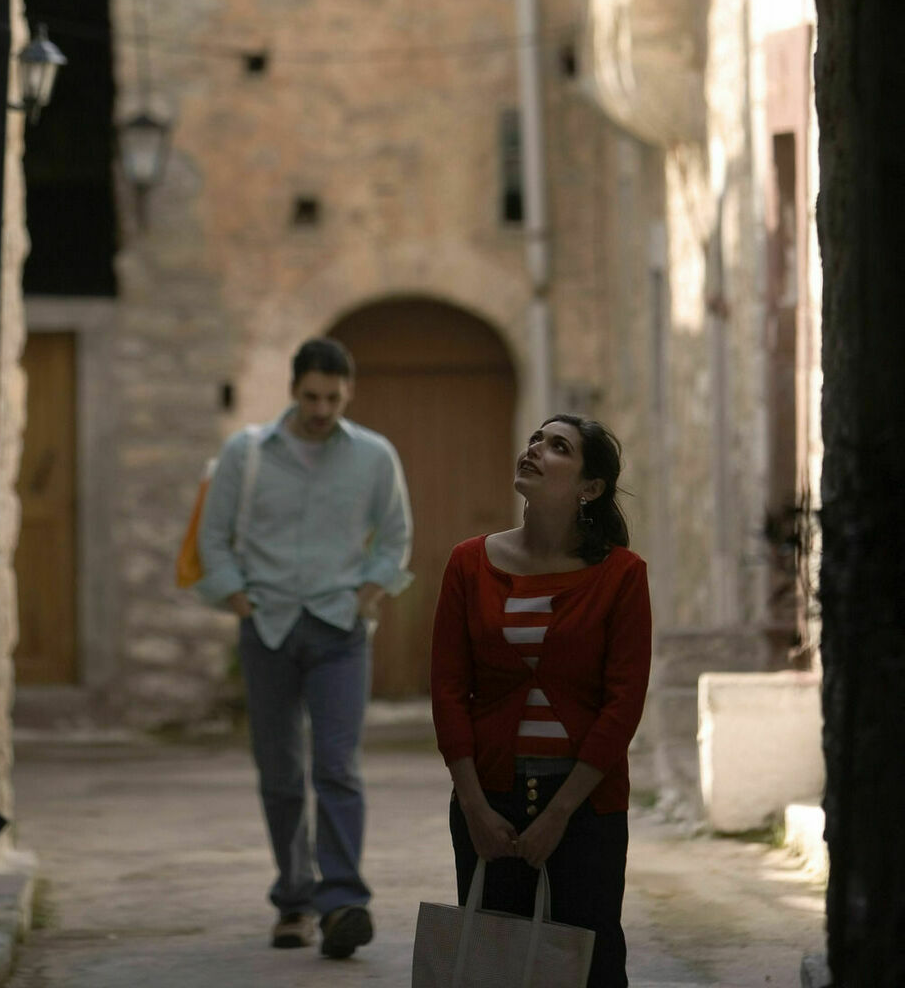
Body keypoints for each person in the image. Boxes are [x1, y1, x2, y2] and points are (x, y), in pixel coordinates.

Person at [196, 337, 413, 958]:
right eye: (312, 396)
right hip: (265, 629)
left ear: (349, 393)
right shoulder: (248, 452)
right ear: (294, 389)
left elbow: (394, 538)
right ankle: (294, 901)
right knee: (281, 774)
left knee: (337, 766)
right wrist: (239, 601)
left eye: (334, 397)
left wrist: (365, 599)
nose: (321, 408)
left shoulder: (374, 456)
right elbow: (214, 537)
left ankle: (344, 901)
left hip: (340, 631)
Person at [430, 415, 651, 988]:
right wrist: (474, 806)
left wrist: (559, 814)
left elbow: (623, 703)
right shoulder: (467, 563)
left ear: (590, 487)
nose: (535, 449)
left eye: (558, 447)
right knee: (496, 965)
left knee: (590, 963)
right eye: (535, 439)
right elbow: (449, 691)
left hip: (586, 807)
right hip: (489, 801)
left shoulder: (623, 576)